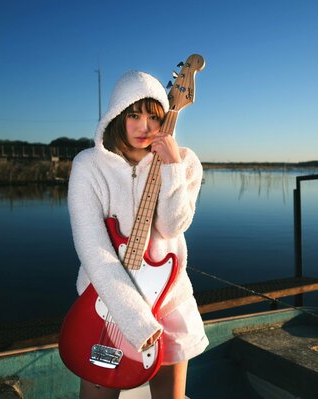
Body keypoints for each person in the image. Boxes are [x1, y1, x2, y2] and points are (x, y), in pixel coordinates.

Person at [67, 70, 208, 399]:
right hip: (105, 304)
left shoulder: (184, 162)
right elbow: (93, 247)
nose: (144, 126)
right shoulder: (89, 166)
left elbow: (173, 227)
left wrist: (171, 167)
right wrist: (133, 318)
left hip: (167, 305)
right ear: (117, 115)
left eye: (153, 116)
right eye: (134, 114)